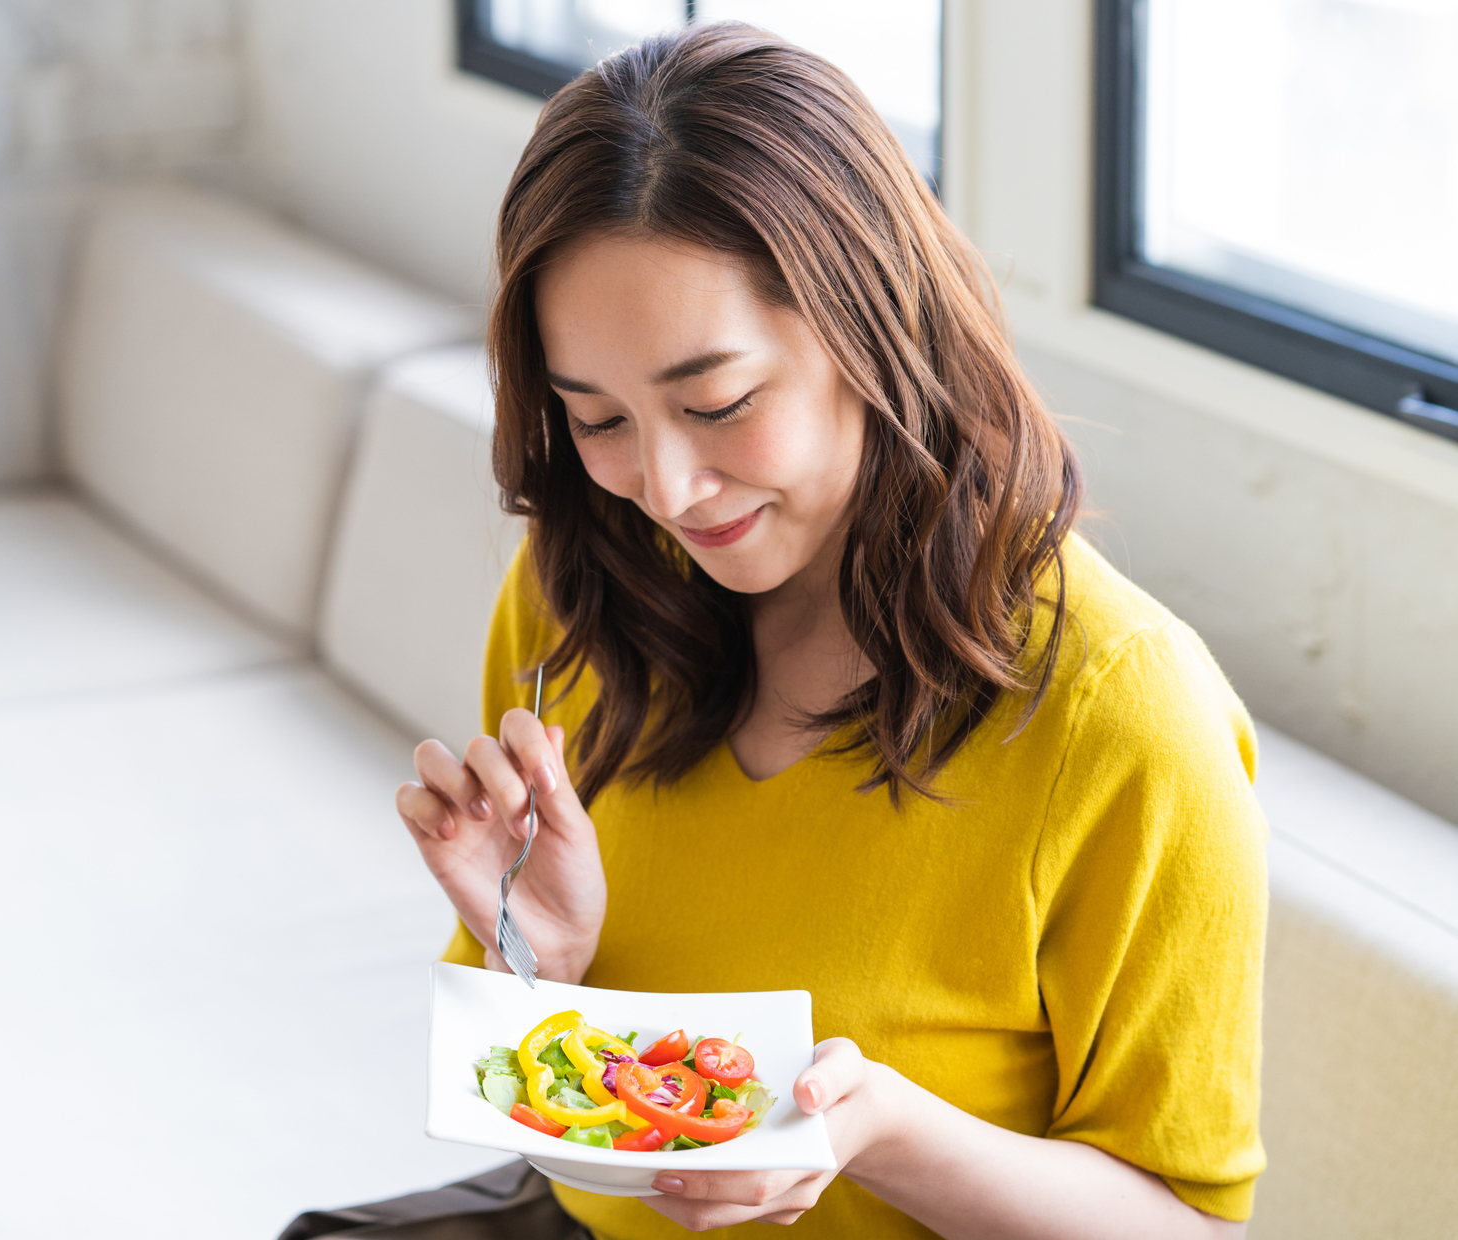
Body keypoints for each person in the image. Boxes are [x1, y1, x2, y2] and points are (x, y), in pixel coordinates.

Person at [396, 21, 1265, 1240]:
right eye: (596, 419)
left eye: (718, 403)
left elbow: (1188, 1226)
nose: (668, 487)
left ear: (876, 328)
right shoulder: (576, 593)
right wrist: (536, 964)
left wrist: (885, 1133)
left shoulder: (1121, 716)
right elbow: (538, 1106)